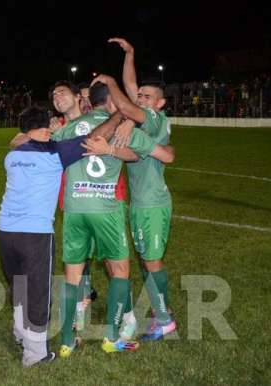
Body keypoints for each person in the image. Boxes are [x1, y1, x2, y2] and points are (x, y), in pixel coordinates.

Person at [0, 106, 125, 367]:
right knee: (37, 293)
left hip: (5, 231)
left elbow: (21, 139)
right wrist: (118, 116)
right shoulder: (54, 154)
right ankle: (36, 354)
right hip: (35, 235)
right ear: (46, 128)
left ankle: (21, 334)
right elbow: (96, 135)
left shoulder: (12, 156)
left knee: (19, 285)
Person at [55, 82, 175, 356]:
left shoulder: (69, 127)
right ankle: (112, 337)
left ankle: (66, 341)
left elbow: (57, 149)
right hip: (106, 209)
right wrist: (116, 142)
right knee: (120, 271)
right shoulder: (120, 129)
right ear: (112, 103)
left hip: (74, 210)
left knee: (73, 275)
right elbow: (143, 154)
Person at [100, 36, 178, 340]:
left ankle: (163, 318)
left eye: (147, 96)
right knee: (147, 258)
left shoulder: (155, 119)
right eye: (141, 95)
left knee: (151, 260)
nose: (141, 97)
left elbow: (127, 103)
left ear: (159, 103)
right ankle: (163, 313)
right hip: (143, 202)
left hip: (152, 203)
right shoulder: (146, 118)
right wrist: (130, 54)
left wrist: (109, 82)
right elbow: (131, 92)